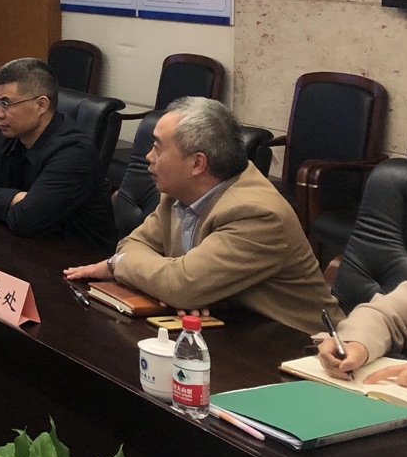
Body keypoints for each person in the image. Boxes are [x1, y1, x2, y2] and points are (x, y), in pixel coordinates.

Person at [65, 98, 338, 335]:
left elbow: (180, 286)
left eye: (158, 148)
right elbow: (131, 245)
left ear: (197, 163)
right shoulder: (177, 193)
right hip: (229, 330)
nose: (148, 157)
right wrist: (169, 283)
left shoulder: (257, 214)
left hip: (300, 350)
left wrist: (117, 265)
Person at [0, 57, 117, 254]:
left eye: (6, 103)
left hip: (77, 259)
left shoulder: (74, 153)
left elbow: (26, 222)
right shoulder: (13, 135)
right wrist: (18, 198)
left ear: (41, 105)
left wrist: (9, 202)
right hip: (25, 248)